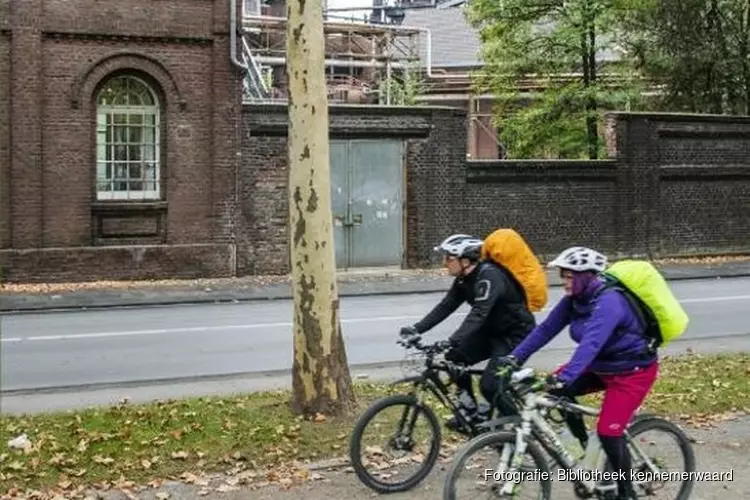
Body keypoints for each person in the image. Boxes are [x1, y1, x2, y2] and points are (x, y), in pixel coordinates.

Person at [498, 246, 659, 500]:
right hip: (601, 366)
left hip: (632, 372)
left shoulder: (610, 302)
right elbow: (545, 330)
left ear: (586, 276)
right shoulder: (575, 300)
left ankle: (627, 492)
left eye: (569, 276)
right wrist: (512, 358)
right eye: (563, 276)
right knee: (555, 395)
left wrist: (566, 375)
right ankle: (584, 449)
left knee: (608, 431)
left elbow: (591, 344)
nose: (564, 282)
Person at [399, 234, 536, 430]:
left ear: (465, 260)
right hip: (491, 332)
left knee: (490, 385)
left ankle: (518, 430)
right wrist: (416, 329)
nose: (444, 262)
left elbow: (478, 314)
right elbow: (446, 306)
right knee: (453, 359)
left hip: (515, 335)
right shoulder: (464, 279)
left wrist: (452, 339)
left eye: (448, 258)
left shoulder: (489, 276)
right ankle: (471, 411)